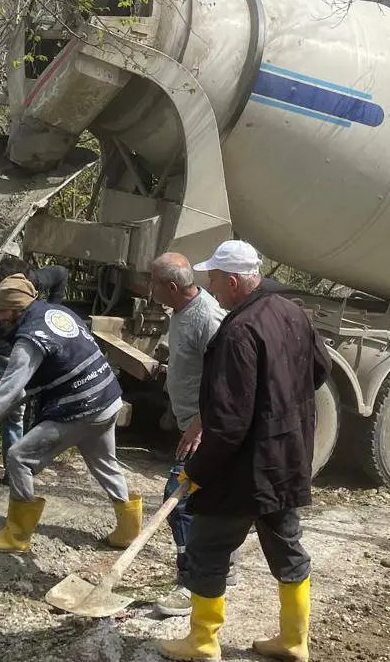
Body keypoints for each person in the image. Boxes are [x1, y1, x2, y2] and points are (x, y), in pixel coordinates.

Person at [155, 240, 331, 662]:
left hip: (243, 471)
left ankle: (202, 643)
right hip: (285, 460)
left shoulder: (237, 332)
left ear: (233, 281)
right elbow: (320, 370)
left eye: (214, 279)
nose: (211, 287)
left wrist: (196, 470)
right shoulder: (294, 314)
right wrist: (282, 404)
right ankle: (295, 640)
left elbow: (228, 422)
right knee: (288, 547)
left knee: (208, 549)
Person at [0, 274, 142, 552]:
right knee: (104, 463)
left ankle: (17, 535)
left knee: (19, 457)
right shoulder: (56, 312)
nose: (0, 318)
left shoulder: (29, 339)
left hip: (81, 407)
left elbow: (5, 392)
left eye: (1, 311)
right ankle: (129, 531)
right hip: (108, 399)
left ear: (14, 308)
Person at [147, 253, 239, 618]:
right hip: (192, 423)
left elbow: (228, 377)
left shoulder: (209, 318)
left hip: (208, 426)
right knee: (209, 499)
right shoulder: (181, 311)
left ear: (171, 287)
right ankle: (221, 567)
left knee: (179, 498)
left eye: (154, 283)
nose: (150, 289)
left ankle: (192, 580)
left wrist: (201, 421)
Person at [0, 256, 71, 479]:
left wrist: (52, 312)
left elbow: (61, 272)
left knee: (15, 414)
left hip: (14, 356)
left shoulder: (31, 283)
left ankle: (13, 468)